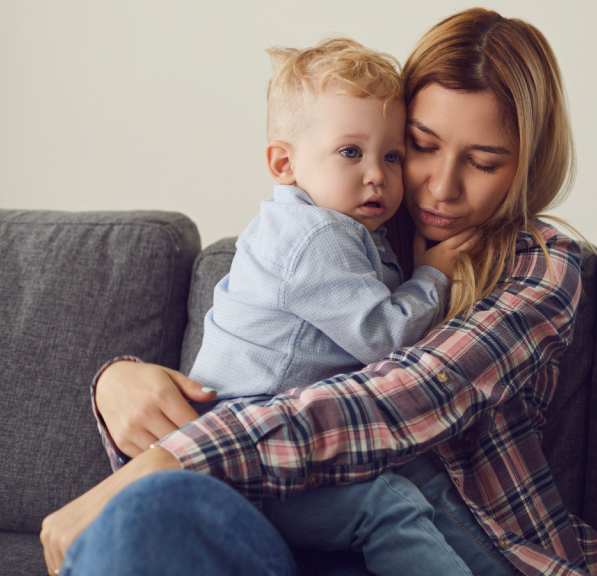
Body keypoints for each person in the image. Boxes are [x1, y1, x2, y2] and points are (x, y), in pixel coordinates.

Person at [41, 8, 597, 576]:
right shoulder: (345, 231)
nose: (441, 187)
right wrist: (116, 382)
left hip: (460, 535)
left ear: (529, 163)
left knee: (156, 497)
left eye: (484, 162)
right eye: (421, 145)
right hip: (298, 521)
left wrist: (173, 457)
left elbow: (402, 397)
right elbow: (242, 356)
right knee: (148, 517)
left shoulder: (540, 263)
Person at [183, 37, 482, 575]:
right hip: (246, 454)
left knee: (426, 479)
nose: (377, 174)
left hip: (288, 444)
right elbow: (385, 337)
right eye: (351, 152)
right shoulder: (313, 235)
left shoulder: (347, 227)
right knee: (388, 503)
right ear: (284, 162)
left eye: (392, 155)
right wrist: (433, 273)